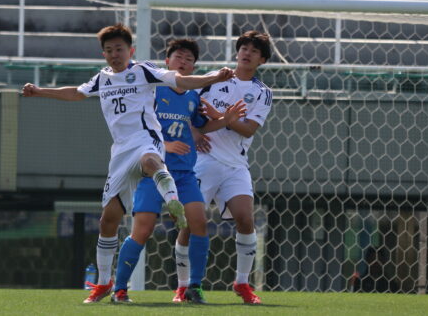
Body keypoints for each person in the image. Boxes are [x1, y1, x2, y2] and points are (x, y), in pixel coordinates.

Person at [22, 24, 234, 304]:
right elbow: (76, 93)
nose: (114, 54)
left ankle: (173, 202)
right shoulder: (102, 78)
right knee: (108, 221)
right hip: (120, 152)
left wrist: (215, 76)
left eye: (119, 49)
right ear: (104, 54)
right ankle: (105, 283)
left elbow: (181, 81)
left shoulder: (144, 71)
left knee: (150, 161)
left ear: (130, 50)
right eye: (109, 50)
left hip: (147, 140)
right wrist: (40, 91)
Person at [111, 39, 247, 304]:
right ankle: (119, 289)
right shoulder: (152, 90)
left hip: (184, 174)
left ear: (194, 66)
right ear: (167, 62)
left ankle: (193, 288)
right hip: (154, 172)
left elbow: (201, 126)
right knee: (143, 229)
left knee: (199, 223)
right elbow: (137, 128)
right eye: (178, 57)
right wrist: (164, 145)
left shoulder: (193, 96)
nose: (183, 62)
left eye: (188, 59)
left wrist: (225, 121)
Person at [176, 30, 273, 305]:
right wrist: (195, 133)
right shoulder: (212, 79)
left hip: (235, 165)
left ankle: (242, 283)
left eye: (254, 51)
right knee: (190, 224)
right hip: (203, 161)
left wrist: (222, 117)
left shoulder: (263, 93)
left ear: (262, 60)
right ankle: (183, 286)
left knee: (245, 218)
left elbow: (249, 129)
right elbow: (183, 108)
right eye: (244, 48)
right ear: (237, 51)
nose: (247, 53)